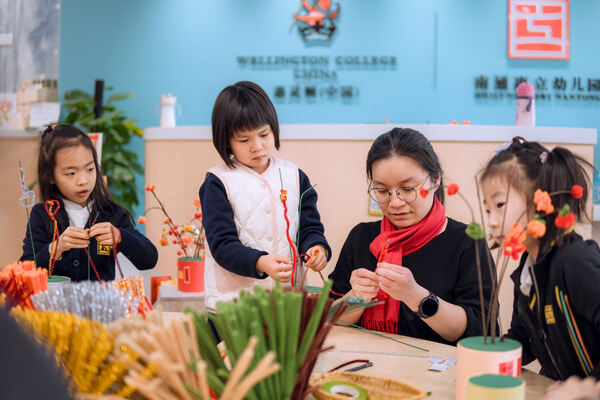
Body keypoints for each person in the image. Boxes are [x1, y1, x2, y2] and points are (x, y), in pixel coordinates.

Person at [328, 127, 495, 345]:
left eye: (407, 189)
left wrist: (417, 297)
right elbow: (329, 322)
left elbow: (477, 332)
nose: (395, 202)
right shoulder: (361, 237)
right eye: (382, 191)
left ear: (435, 180)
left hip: (437, 375)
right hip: (365, 368)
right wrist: (355, 297)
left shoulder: (467, 243)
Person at [200, 81, 330, 311]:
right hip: (234, 306)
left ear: (274, 129)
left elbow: (310, 229)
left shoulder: (295, 176)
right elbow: (222, 245)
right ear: (226, 140)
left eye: (264, 134)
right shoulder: (217, 182)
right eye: (244, 140)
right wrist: (260, 262)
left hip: (288, 303)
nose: (257, 146)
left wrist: (317, 248)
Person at [481, 137, 600, 379]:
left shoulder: (574, 260)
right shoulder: (528, 267)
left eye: (500, 204)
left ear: (541, 200)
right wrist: (485, 359)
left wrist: (590, 387)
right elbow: (522, 338)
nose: (491, 221)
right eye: (487, 209)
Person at [20, 124, 157, 281]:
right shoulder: (43, 214)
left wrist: (120, 237)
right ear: (51, 176)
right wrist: (55, 248)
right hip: (55, 305)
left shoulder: (111, 213)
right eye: (71, 173)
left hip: (101, 304)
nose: (83, 181)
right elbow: (25, 268)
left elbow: (149, 259)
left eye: (90, 169)